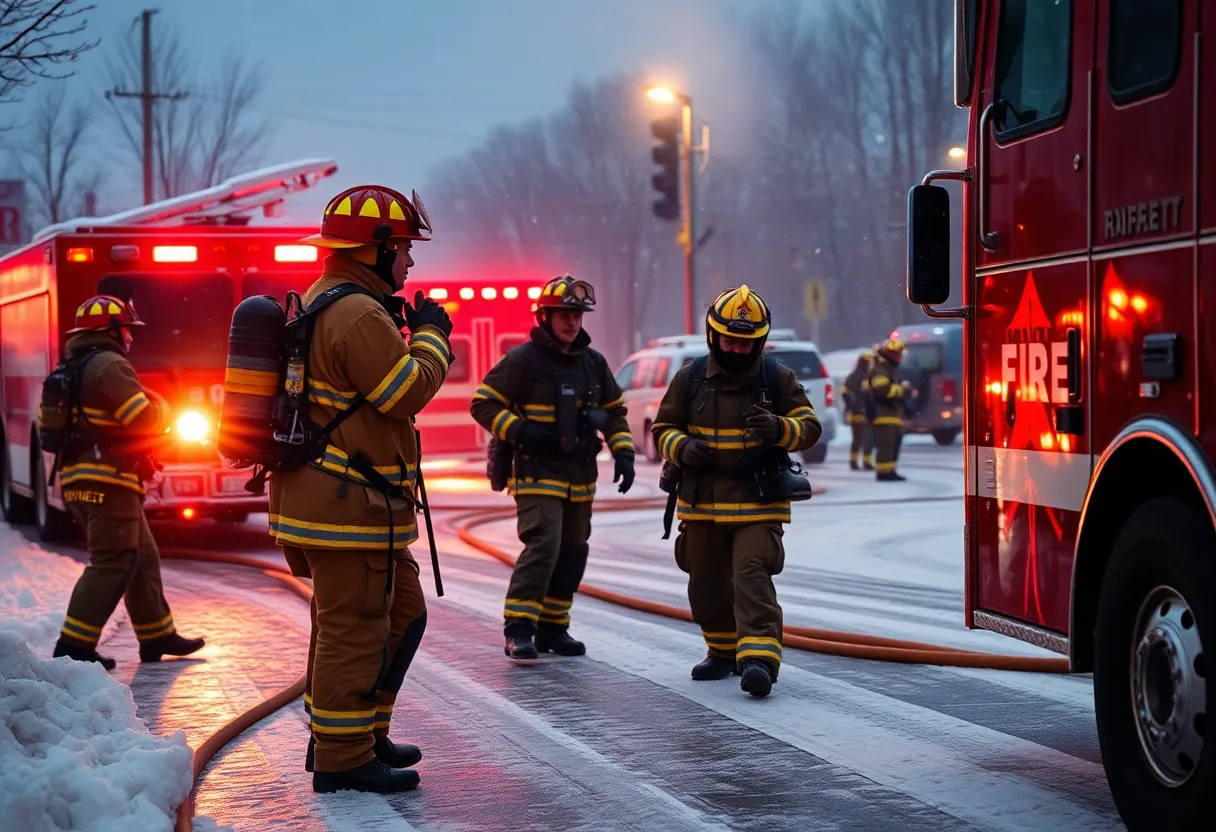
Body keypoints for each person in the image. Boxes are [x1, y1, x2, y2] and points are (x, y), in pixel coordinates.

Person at [271, 185, 452, 794]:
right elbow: (406, 391)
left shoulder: (337, 300)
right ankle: (343, 759)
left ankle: (360, 733)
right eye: (402, 249)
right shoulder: (356, 313)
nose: (409, 262)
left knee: (401, 614)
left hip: (354, 504)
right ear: (373, 250)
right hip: (346, 507)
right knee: (354, 627)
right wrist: (432, 336)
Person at [652, 285, 821, 698]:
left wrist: (781, 429)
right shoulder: (690, 378)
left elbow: (810, 427)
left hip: (758, 504)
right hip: (702, 504)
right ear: (714, 336)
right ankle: (723, 651)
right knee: (705, 583)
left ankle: (759, 661)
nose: (738, 350)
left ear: (759, 342)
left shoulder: (777, 378)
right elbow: (661, 430)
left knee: (751, 577)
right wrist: (681, 446)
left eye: (747, 343)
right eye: (730, 340)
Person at [470, 275, 634, 662]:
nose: (572, 322)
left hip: (580, 476)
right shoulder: (523, 360)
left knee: (573, 552)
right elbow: (483, 403)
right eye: (564, 314)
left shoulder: (593, 363)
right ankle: (519, 629)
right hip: (536, 472)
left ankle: (553, 628)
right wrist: (521, 430)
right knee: (544, 545)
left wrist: (623, 452)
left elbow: (614, 412)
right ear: (545, 316)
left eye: (577, 315)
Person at [50, 295, 205, 671]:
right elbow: (143, 419)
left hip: (85, 479)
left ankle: (156, 634)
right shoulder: (109, 364)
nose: (131, 338)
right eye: (127, 330)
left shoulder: (76, 365)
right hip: (108, 482)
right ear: (112, 331)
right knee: (113, 561)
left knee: (142, 555)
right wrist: (165, 405)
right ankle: (73, 646)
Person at [868, 337, 907, 482]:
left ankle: (890, 470)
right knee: (886, 445)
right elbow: (882, 390)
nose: (900, 358)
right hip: (883, 415)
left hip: (892, 415)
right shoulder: (881, 369)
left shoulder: (889, 369)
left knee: (892, 445)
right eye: (897, 354)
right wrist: (901, 389)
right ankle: (883, 472)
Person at [841, 349, 874, 471]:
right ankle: (867, 462)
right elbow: (869, 395)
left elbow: (844, 392)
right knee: (868, 438)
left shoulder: (851, 377)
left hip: (854, 414)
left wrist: (851, 405)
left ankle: (853, 461)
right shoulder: (867, 377)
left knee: (856, 439)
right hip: (864, 414)